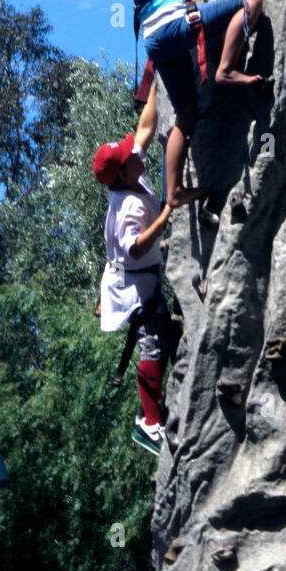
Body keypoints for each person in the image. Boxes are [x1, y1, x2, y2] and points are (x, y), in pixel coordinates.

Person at [124, 0, 265, 207]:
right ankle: (227, 68)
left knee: (186, 112)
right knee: (251, 0)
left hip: (156, 40)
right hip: (173, 27)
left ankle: (173, 191)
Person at [93, 79, 174, 456]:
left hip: (138, 276)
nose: (136, 151)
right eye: (129, 156)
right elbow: (136, 248)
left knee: (161, 332)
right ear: (122, 174)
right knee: (152, 338)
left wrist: (157, 80)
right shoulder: (126, 206)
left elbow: (145, 126)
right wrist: (166, 217)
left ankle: (155, 414)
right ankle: (149, 424)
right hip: (132, 282)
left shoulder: (132, 170)